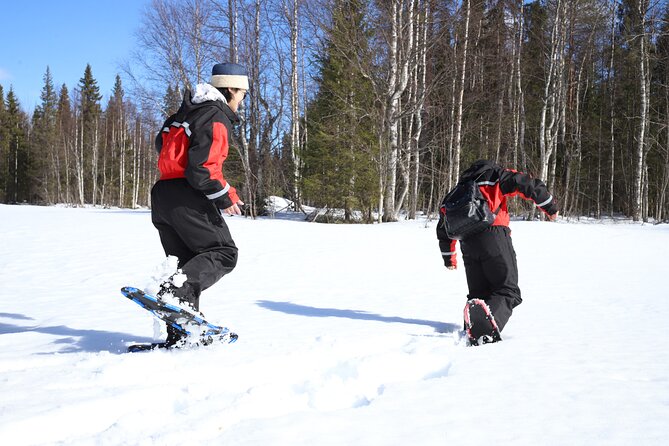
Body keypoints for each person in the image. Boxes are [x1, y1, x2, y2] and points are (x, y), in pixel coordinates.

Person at [151, 62, 249, 347]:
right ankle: (176, 294)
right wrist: (223, 194)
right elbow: (202, 168)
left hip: (163, 195)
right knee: (223, 252)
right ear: (231, 88)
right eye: (242, 92)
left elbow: (162, 144)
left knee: (187, 263)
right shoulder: (215, 116)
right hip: (187, 195)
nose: (242, 99)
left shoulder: (185, 112)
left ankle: (181, 335)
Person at [436, 159, 558, 345]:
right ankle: (484, 332)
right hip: (493, 235)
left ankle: (470, 331)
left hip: (467, 244)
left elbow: (443, 227)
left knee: (478, 295)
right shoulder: (494, 174)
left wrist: (449, 258)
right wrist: (549, 206)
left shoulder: (458, 189)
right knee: (508, 290)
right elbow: (525, 182)